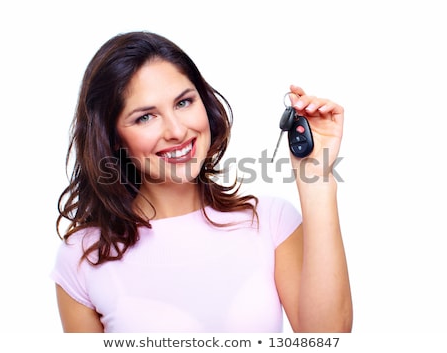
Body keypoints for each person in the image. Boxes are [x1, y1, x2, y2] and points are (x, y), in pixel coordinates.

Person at [51, 31, 352, 333]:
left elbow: (328, 341)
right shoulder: (81, 258)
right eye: (145, 117)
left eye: (183, 102)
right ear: (113, 137)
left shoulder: (272, 224)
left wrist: (317, 180)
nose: (177, 131)